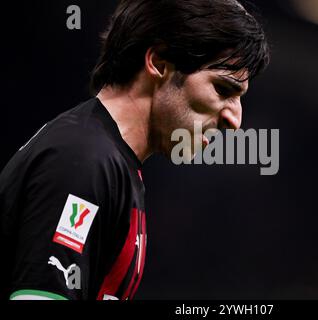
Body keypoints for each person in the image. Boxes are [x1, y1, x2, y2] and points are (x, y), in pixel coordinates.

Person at [0, 0, 269, 300]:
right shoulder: (82, 159)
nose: (235, 121)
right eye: (222, 89)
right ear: (159, 63)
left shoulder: (113, 165)